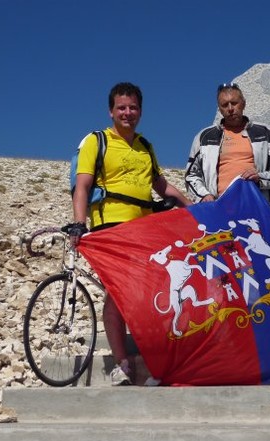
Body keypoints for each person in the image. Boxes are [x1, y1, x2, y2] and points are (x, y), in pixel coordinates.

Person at [69, 82, 192, 386]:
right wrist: (78, 223)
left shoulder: (145, 146)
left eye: (133, 107)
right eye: (121, 107)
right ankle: (122, 364)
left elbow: (160, 186)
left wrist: (192, 207)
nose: (127, 113)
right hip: (110, 226)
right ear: (111, 111)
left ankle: (151, 360)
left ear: (140, 111)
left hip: (145, 228)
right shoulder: (97, 142)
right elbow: (82, 185)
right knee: (117, 293)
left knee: (146, 295)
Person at [185, 83, 270, 208]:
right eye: (224, 105)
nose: (230, 108)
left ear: (243, 104)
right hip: (219, 208)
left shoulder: (265, 133)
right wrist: (203, 195)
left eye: (234, 103)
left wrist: (260, 178)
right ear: (219, 109)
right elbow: (191, 175)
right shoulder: (204, 137)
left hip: (258, 206)